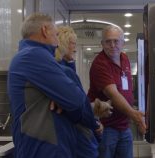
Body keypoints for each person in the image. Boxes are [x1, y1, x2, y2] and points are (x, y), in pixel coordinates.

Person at [8, 13, 99, 158]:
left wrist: (62, 98)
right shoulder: (33, 55)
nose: (58, 42)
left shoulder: (32, 55)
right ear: (45, 30)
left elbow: (69, 97)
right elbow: (75, 100)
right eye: (56, 34)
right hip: (42, 148)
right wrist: (65, 99)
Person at [87, 25, 147, 158]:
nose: (112, 45)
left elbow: (127, 89)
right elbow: (113, 94)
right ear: (102, 44)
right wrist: (135, 116)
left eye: (116, 41)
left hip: (124, 126)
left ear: (123, 43)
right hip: (106, 128)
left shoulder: (124, 58)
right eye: (108, 41)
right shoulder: (100, 64)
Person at [53, 25, 112, 158]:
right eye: (72, 43)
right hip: (76, 134)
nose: (75, 47)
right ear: (63, 44)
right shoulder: (63, 70)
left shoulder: (65, 67)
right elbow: (76, 106)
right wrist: (94, 123)